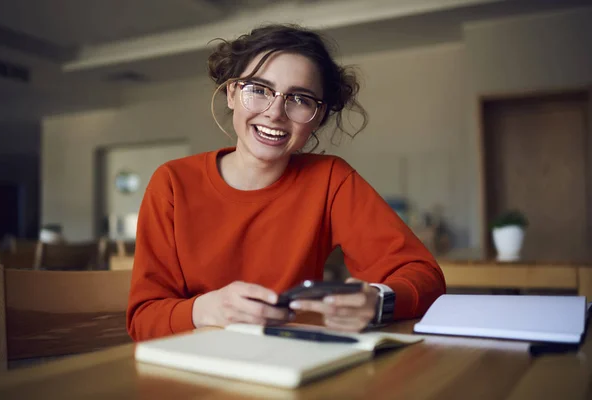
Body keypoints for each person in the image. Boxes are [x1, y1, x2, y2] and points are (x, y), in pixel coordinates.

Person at [127, 24, 445, 341]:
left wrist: (377, 301)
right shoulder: (171, 183)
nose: (275, 112)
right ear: (231, 93)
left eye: (300, 98)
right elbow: (143, 319)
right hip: (192, 371)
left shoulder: (331, 180)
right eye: (258, 89)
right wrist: (205, 310)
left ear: (319, 115)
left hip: (295, 362)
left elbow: (425, 277)